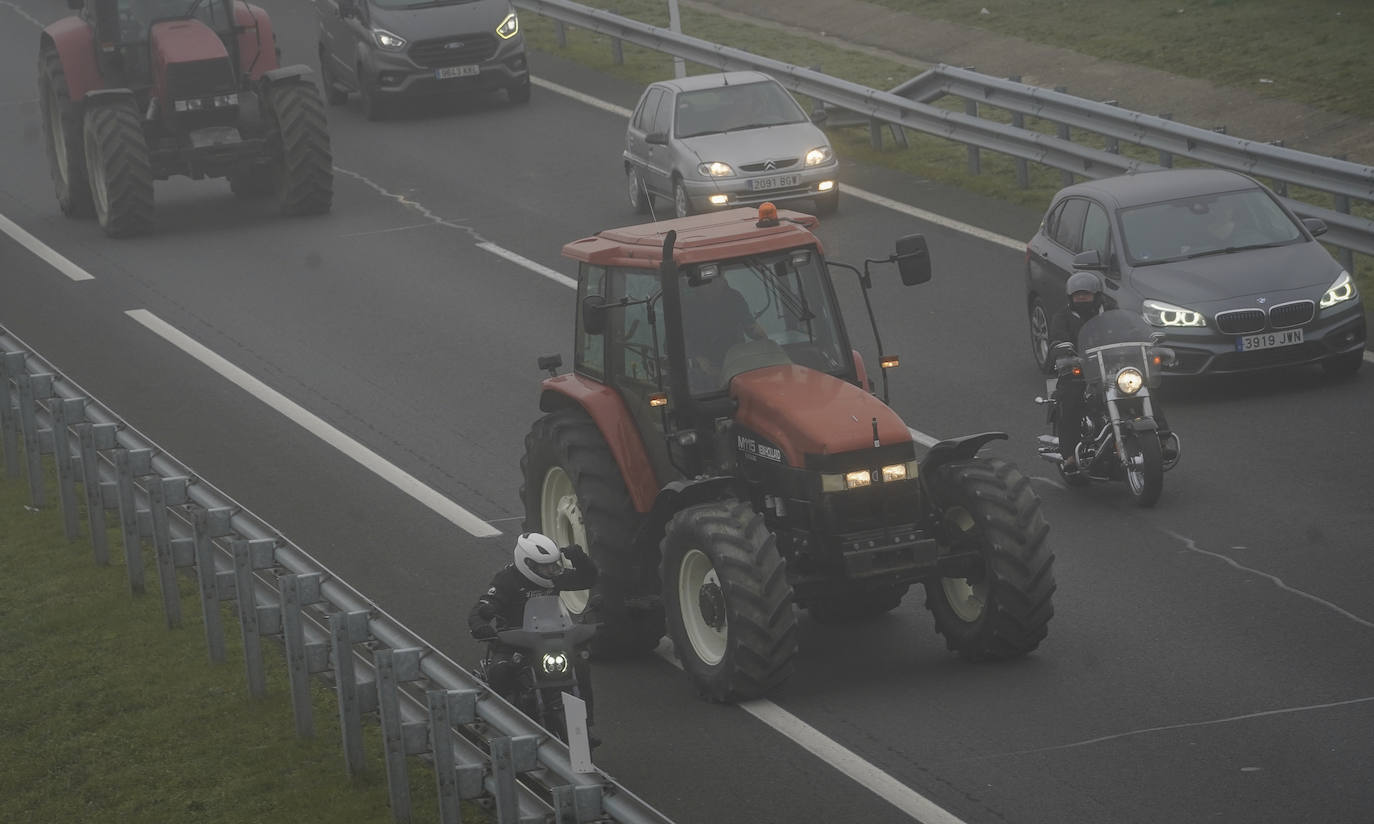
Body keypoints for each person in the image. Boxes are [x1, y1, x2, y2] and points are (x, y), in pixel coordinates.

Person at [468, 532, 600, 743]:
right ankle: (499, 728)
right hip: (515, 642)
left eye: (553, 565)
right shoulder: (506, 580)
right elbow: (484, 604)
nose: (551, 570)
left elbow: (588, 579)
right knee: (501, 670)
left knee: (580, 665)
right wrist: (480, 622)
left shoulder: (553, 576)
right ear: (527, 563)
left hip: (552, 638)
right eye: (545, 566)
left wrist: (580, 559)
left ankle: (584, 724)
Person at [1048, 271, 1174, 472]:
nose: (1081, 298)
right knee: (1070, 400)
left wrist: (1149, 340)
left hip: (1113, 365)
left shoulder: (1110, 310)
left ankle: (1162, 440)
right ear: (1070, 297)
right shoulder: (1062, 317)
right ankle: (1070, 454)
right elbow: (1056, 339)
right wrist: (1063, 351)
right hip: (1078, 369)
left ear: (1097, 295)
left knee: (1143, 388)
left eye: (1086, 294)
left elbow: (1131, 328)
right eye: (1077, 295)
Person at [679, 272, 766, 390]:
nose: (715, 284)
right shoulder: (688, 306)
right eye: (709, 281)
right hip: (702, 371)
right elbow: (678, 341)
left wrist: (763, 339)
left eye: (718, 279)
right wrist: (699, 359)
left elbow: (750, 325)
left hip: (736, 362)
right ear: (700, 284)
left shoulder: (734, 298)